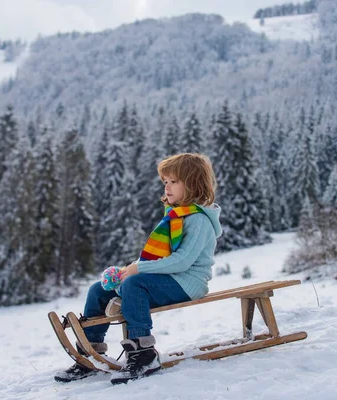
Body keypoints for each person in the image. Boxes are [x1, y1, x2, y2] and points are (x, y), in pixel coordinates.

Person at [55, 153, 222, 385]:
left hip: (188, 282)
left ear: (193, 184)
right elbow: (157, 255)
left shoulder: (199, 220)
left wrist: (137, 270)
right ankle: (90, 354)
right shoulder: (174, 216)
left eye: (174, 182)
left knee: (135, 283)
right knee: (98, 290)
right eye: (165, 182)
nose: (168, 187)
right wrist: (127, 271)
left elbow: (182, 261)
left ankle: (144, 353)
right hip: (166, 279)